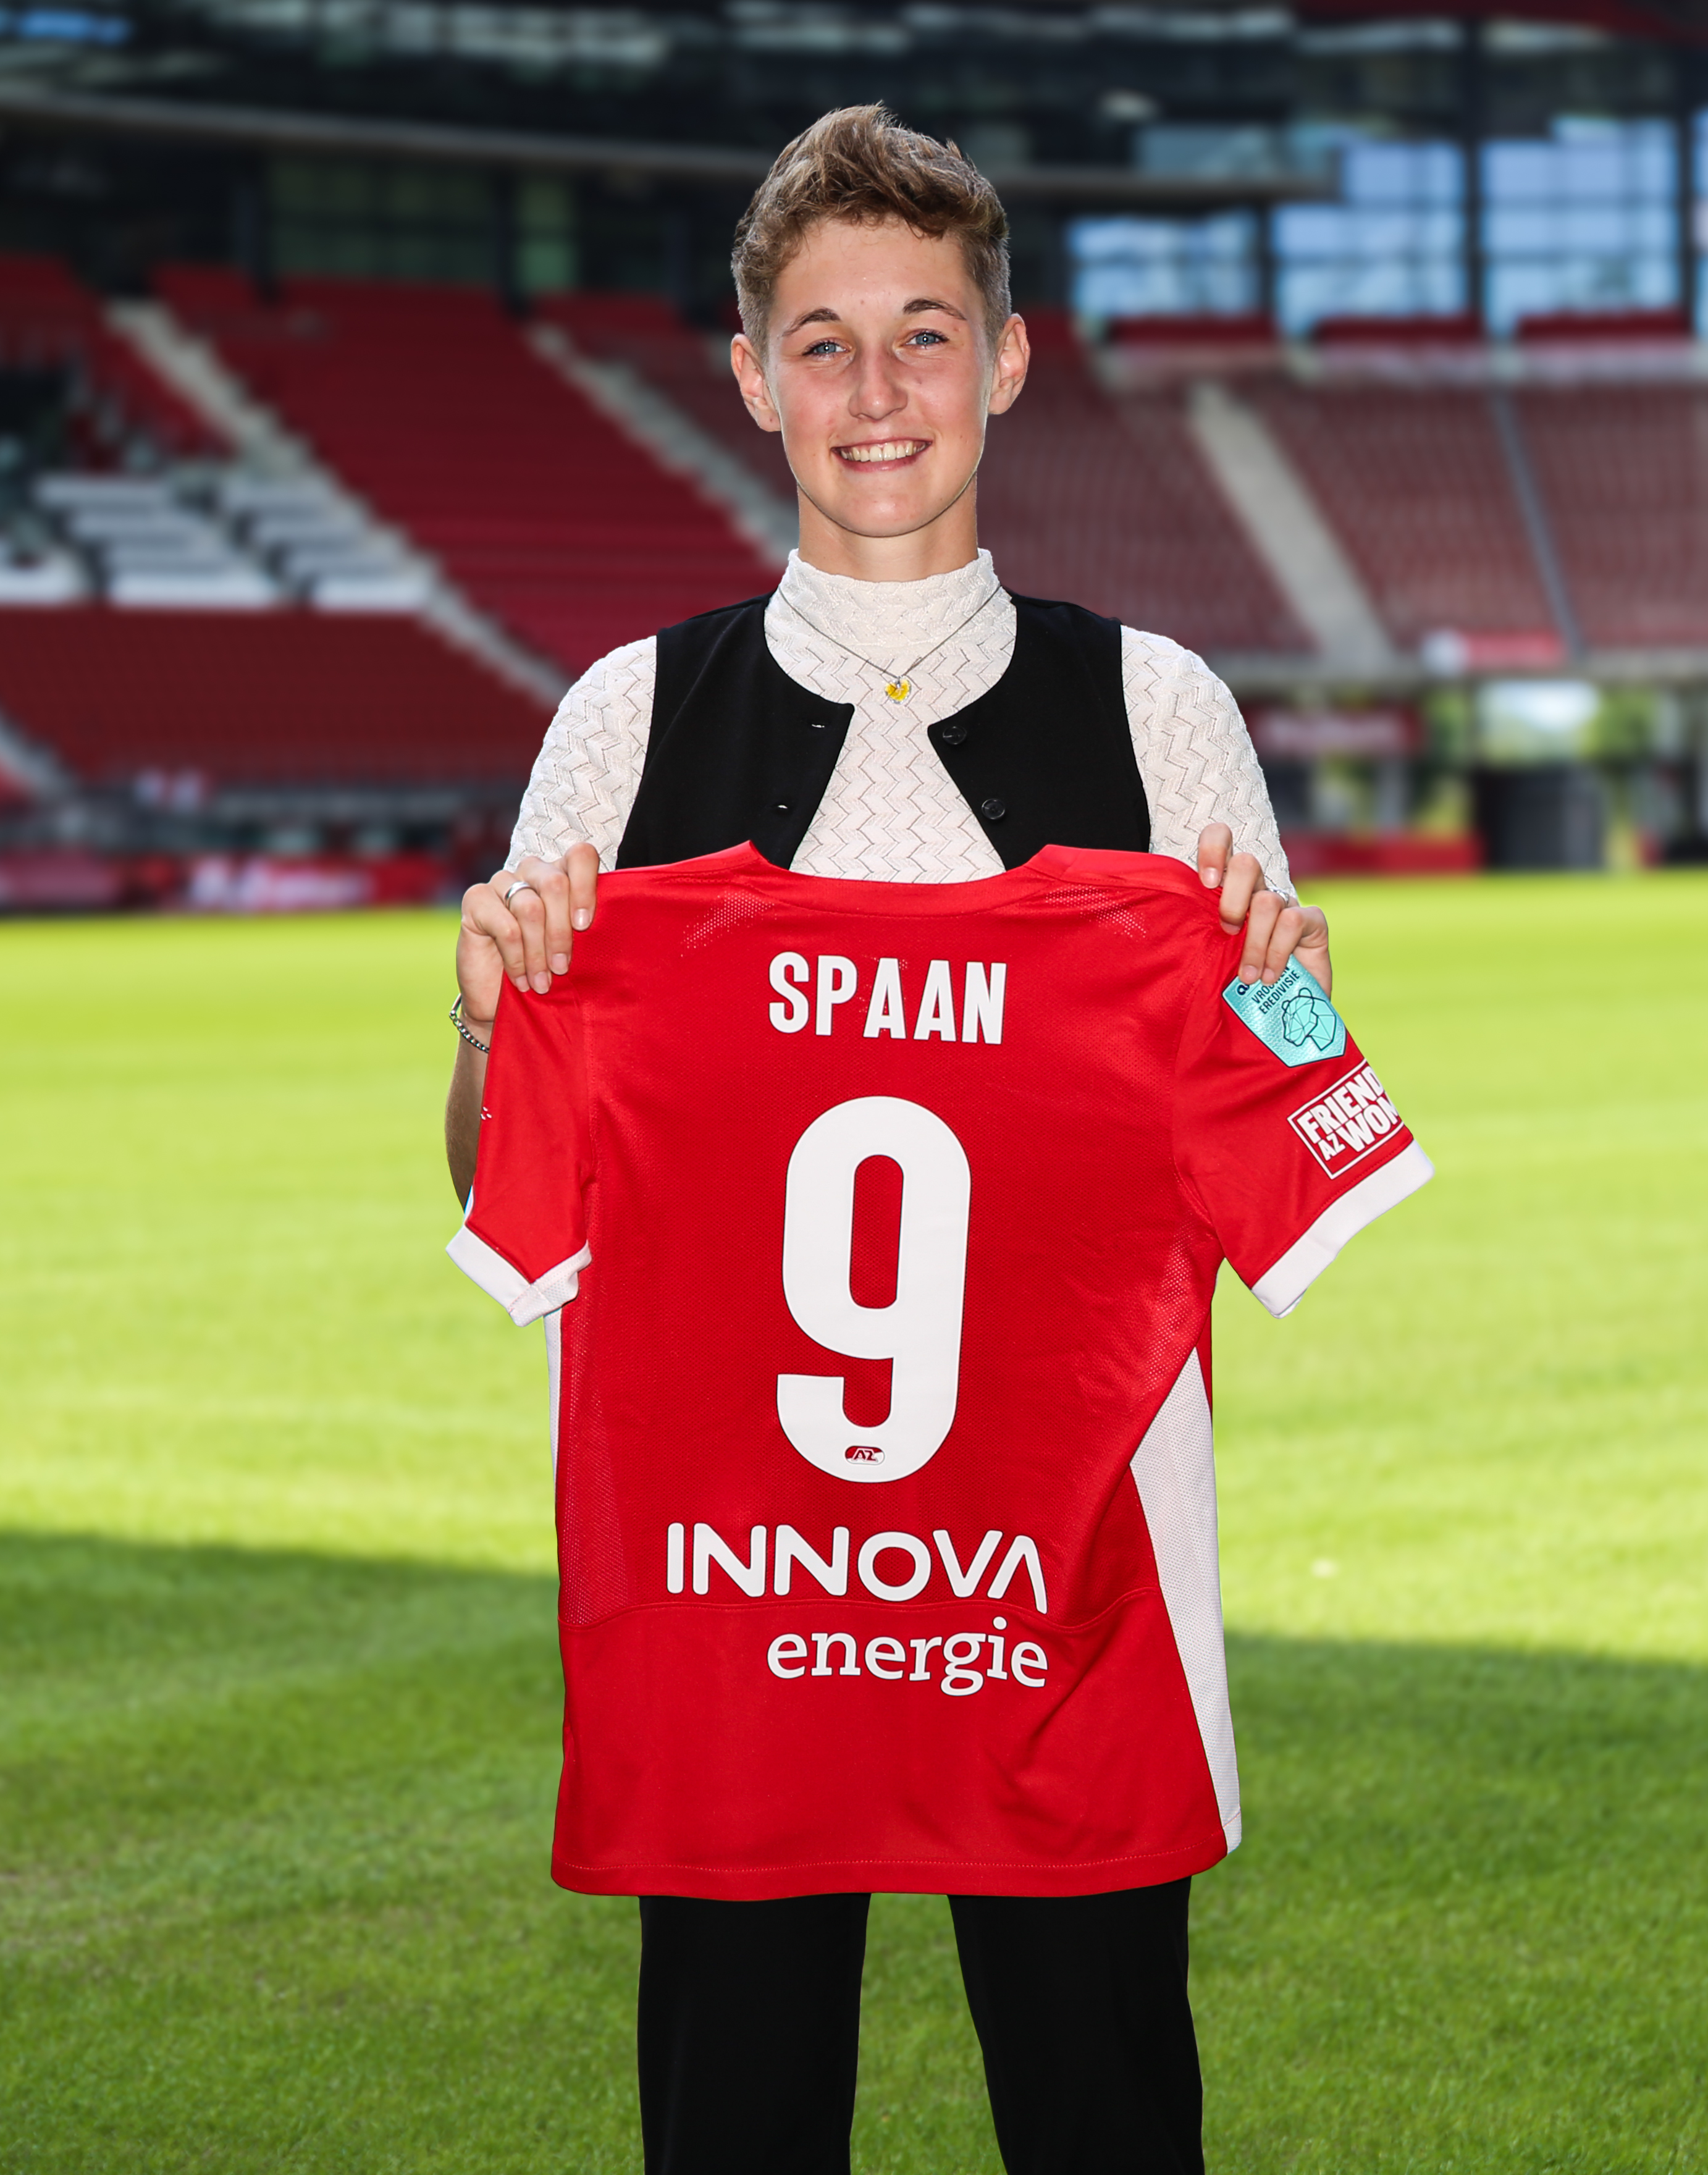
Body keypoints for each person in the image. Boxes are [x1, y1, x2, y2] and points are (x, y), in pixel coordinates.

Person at [443, 104, 1333, 2174]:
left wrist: (1292, 987)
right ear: (752, 379)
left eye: (924, 334)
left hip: (1063, 1585)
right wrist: (485, 1022)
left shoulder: (1159, 709)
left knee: (1104, 2111)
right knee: (738, 2121)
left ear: (1004, 361)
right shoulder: (628, 718)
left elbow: (1292, 1086)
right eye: (823, 343)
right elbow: (501, 1186)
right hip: (738, 1594)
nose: (876, 391)